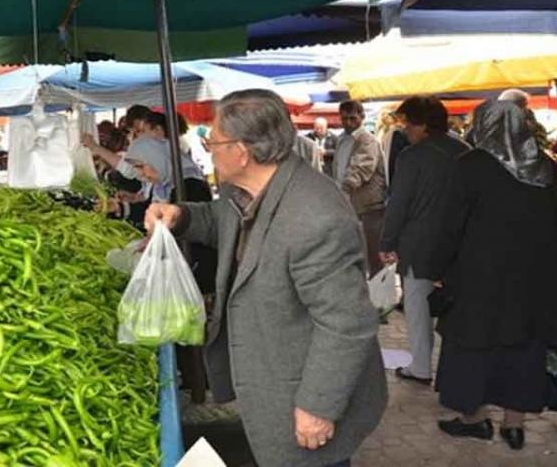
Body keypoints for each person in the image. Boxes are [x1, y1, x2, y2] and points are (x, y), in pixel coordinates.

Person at [145, 89, 387, 467]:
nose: (209, 149)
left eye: (214, 142)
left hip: (309, 390)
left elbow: (347, 324)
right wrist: (181, 216)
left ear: (241, 152)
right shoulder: (240, 191)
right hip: (275, 373)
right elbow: (219, 222)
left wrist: (318, 406)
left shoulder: (315, 218)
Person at [430, 100, 557, 450]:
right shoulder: (547, 169)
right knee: (523, 349)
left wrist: (436, 268)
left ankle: (474, 420)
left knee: (473, 349)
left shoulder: (470, 166)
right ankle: (514, 426)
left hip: (478, 281)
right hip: (534, 283)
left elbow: (449, 226)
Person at [378, 97, 469, 386]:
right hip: (460, 246)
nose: (405, 130)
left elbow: (399, 204)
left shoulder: (412, 157)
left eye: (408, 123)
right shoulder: (465, 152)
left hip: (419, 246)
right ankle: (456, 373)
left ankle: (420, 367)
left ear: (424, 125)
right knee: (458, 311)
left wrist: (386, 242)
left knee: (417, 307)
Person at [333, 101, 387, 276]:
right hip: (349, 204)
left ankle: (381, 299)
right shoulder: (342, 140)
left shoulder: (367, 140)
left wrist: (344, 189)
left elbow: (361, 168)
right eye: (344, 119)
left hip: (368, 206)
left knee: (374, 255)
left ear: (362, 117)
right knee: (355, 254)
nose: (348, 122)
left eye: (352, 118)